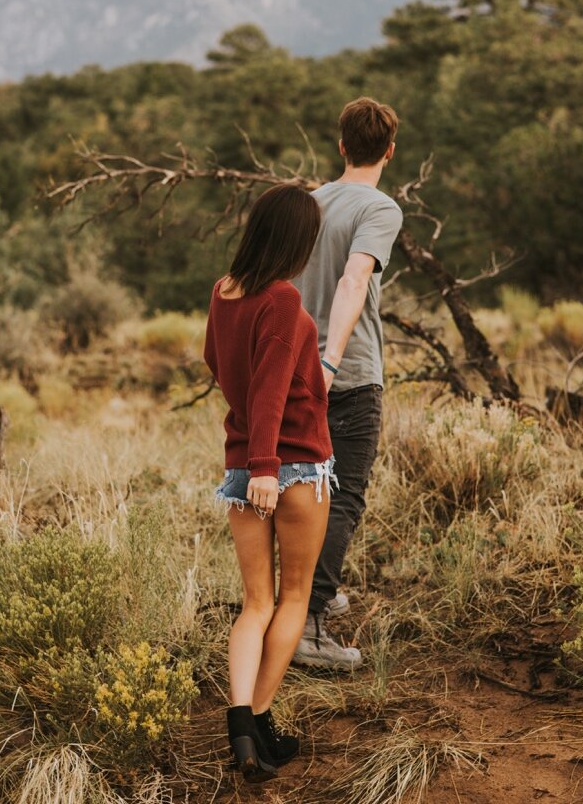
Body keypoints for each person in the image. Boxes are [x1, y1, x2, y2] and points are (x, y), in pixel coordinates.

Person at [204, 183, 335, 782]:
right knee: (294, 599)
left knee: (255, 603)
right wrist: (267, 466)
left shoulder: (224, 291)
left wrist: (250, 462)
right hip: (292, 466)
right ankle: (258, 719)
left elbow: (216, 362)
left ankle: (243, 731)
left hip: (240, 467)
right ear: (297, 240)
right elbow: (273, 385)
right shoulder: (281, 298)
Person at [292, 97, 404, 671]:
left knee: (307, 491)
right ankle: (308, 627)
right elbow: (355, 278)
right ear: (388, 150)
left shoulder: (311, 204)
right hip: (349, 374)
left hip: (293, 372)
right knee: (344, 497)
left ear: (340, 146)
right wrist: (331, 359)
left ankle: (311, 596)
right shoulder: (380, 208)